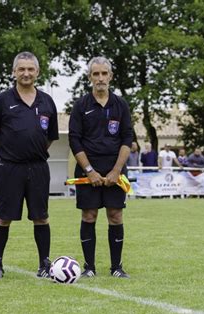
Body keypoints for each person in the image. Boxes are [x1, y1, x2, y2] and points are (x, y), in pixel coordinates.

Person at [0, 52, 58, 280]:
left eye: (30, 69)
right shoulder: (2, 101)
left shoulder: (47, 101)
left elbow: (49, 137)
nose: (26, 73)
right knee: (3, 217)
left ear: (37, 72)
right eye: (21, 69)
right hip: (10, 168)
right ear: (14, 72)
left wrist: (31, 151)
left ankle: (44, 264)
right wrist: (12, 155)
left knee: (41, 216)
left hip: (38, 168)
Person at [68, 56, 133, 278]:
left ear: (111, 77)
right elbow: (74, 141)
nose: (100, 78)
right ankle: (89, 267)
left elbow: (127, 139)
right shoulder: (80, 106)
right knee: (89, 216)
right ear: (89, 77)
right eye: (96, 74)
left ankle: (116, 267)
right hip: (88, 172)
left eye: (104, 73)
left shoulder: (121, 105)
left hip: (115, 171)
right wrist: (90, 171)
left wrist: (116, 171)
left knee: (115, 215)